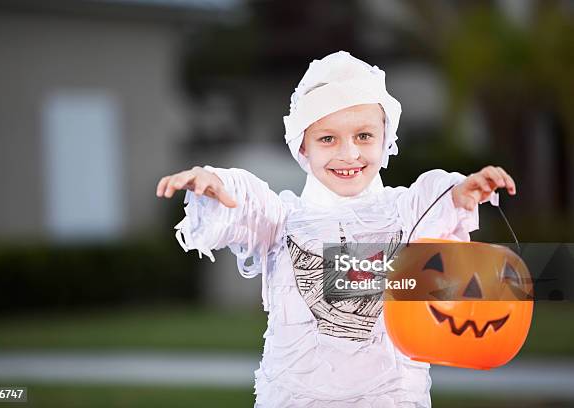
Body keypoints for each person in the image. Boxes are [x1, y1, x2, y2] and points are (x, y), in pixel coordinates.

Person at [155, 51, 516, 407]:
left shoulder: (403, 212)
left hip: (389, 397)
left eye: (363, 136)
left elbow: (436, 201)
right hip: (297, 397)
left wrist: (462, 191)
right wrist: (217, 184)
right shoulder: (285, 220)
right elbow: (250, 201)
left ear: (385, 137)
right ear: (302, 146)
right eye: (328, 139)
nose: (349, 154)